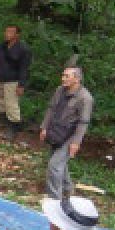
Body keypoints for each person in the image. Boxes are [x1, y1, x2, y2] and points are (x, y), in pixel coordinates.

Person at [40, 66, 93, 199]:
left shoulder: (85, 98)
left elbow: (83, 122)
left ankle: (54, 198)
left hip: (71, 135)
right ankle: (68, 188)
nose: (63, 79)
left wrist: (76, 143)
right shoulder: (60, 90)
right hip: (56, 131)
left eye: (66, 76)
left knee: (54, 165)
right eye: (63, 75)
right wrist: (44, 127)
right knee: (58, 163)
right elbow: (51, 109)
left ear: (76, 79)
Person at [0, 24, 32, 140]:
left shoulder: (23, 49)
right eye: (6, 32)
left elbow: (24, 68)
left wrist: (21, 84)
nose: (7, 34)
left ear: (17, 35)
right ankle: (3, 119)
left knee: (11, 104)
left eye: (11, 32)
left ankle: (14, 127)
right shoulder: (0, 47)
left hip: (12, 80)